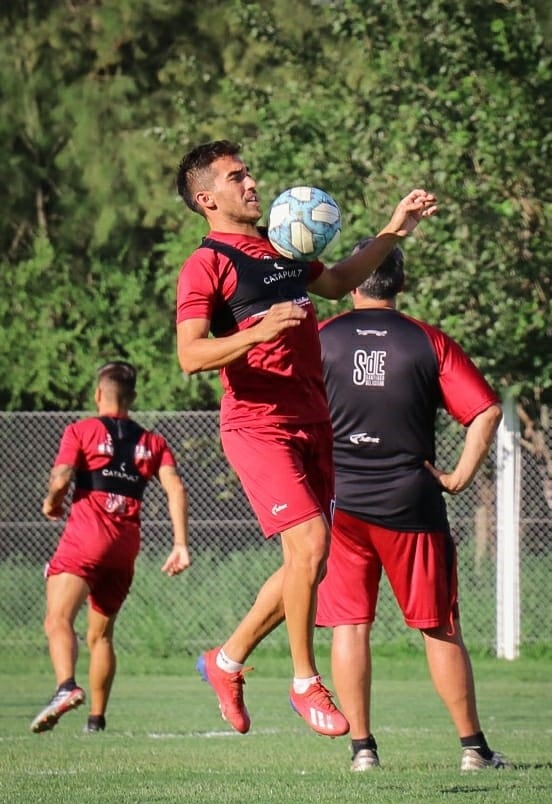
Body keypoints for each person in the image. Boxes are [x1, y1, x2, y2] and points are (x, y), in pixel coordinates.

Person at [175, 139, 437, 738]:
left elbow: (343, 278)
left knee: (307, 564)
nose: (251, 183)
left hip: (314, 423)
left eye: (250, 173)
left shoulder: (281, 244)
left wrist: (395, 228)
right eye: (237, 177)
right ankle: (303, 681)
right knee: (314, 545)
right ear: (206, 197)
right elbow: (190, 355)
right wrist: (258, 330)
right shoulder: (207, 263)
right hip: (258, 423)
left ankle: (227, 659)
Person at [316, 241, 512, 771]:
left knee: (349, 626)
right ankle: (473, 750)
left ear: (352, 282)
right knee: (438, 626)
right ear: (400, 286)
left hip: (341, 506)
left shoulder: (320, 338)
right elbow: (486, 412)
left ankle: (363, 752)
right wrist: (457, 478)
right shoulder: (427, 341)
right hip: (412, 504)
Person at [31, 361, 190, 734]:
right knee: (100, 635)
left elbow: (63, 476)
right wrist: (180, 543)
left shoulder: (81, 430)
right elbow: (176, 489)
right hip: (124, 548)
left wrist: (53, 502)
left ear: (98, 394)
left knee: (57, 620)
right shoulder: (153, 442)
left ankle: (66, 687)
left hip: (86, 540)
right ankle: (96, 721)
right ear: (132, 398)